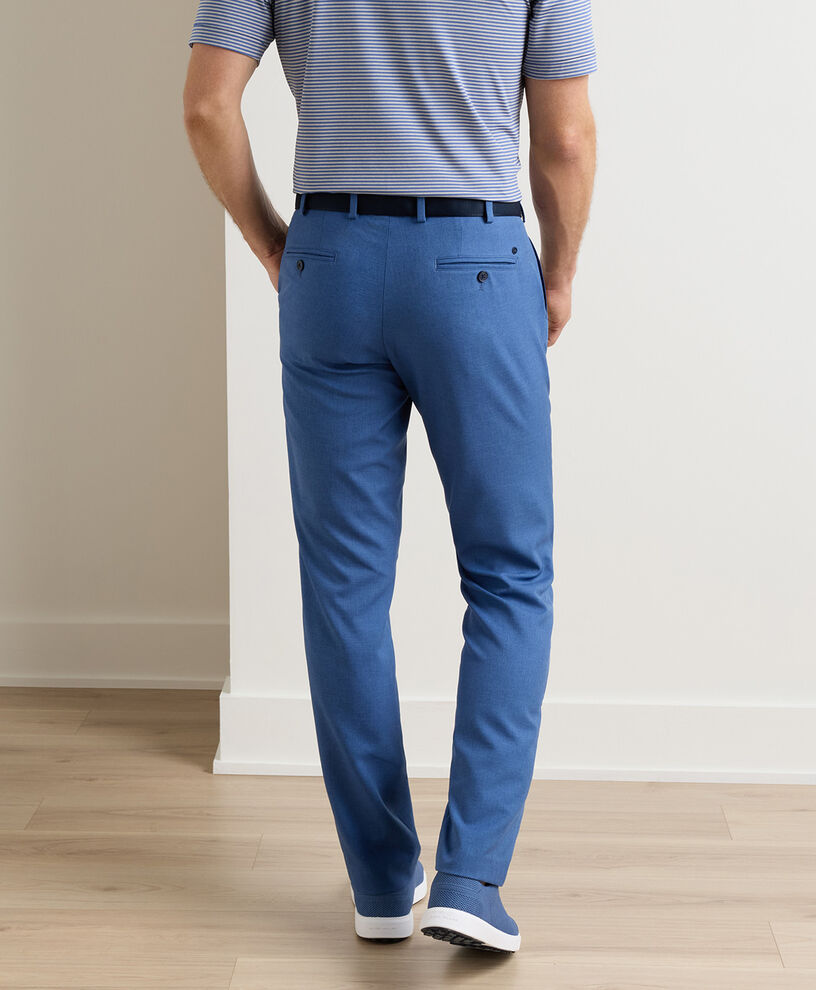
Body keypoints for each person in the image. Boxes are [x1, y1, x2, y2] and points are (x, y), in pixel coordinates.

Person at [183, 0, 597, 955]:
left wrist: (276, 244)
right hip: (478, 266)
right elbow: (565, 140)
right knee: (509, 574)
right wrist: (562, 274)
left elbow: (209, 106)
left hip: (329, 259)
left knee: (343, 590)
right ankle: (470, 879)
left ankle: (379, 881)